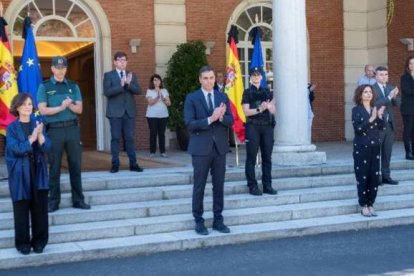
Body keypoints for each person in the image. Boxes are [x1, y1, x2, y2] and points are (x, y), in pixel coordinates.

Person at [184, 65, 234, 235]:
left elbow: (230, 120)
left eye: (211, 78)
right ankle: (199, 221)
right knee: (199, 186)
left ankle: (218, 220)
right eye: (205, 78)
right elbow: (190, 124)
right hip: (200, 149)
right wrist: (209, 119)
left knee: (218, 186)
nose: (209, 81)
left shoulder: (222, 96)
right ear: (200, 79)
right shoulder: (192, 98)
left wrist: (220, 117)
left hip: (219, 148)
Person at [37, 56, 90, 212]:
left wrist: (70, 104)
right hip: (55, 130)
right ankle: (53, 201)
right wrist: (61, 107)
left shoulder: (73, 87)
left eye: (63, 68)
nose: (60, 70)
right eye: (57, 67)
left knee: (75, 165)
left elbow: (79, 109)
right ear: (52, 68)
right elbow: (43, 110)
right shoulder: (44, 86)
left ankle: (78, 200)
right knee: (54, 167)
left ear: (66, 69)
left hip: (72, 129)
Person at [6, 93, 51, 254]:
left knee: (40, 210)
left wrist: (39, 136)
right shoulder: (11, 128)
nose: (28, 107)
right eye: (24, 104)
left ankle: (39, 242)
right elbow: (16, 149)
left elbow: (47, 148)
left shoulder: (38, 123)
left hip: (38, 173)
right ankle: (23, 243)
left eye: (30, 104)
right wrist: (31, 140)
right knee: (21, 211)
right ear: (17, 107)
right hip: (20, 174)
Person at [104, 51, 143, 173]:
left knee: (130, 138)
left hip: (129, 112)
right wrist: (121, 86)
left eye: (124, 60)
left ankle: (133, 164)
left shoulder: (131, 75)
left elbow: (138, 91)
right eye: (120, 60)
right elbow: (107, 92)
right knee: (115, 138)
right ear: (115, 62)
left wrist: (129, 84)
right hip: (115, 112)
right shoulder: (108, 75)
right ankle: (115, 164)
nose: (122, 62)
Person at [242, 67, 277, 196]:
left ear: (262, 77)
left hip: (267, 127)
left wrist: (269, 107)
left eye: (258, 75)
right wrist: (260, 109)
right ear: (250, 77)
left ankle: (267, 185)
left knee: (267, 157)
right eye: (254, 75)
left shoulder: (267, 92)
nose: (256, 77)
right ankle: (252, 186)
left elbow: (273, 111)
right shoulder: (247, 92)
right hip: (253, 127)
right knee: (251, 157)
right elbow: (246, 111)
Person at [352, 85, 384, 217]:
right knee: (362, 177)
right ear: (360, 95)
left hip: (375, 147)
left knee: (374, 177)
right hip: (361, 148)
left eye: (370, 92)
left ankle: (371, 204)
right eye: (365, 92)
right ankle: (363, 205)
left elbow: (381, 128)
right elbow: (358, 130)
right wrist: (371, 119)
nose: (368, 94)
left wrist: (380, 117)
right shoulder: (356, 110)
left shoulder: (374, 108)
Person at [372, 66, 401, 185]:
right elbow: (375, 104)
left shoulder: (390, 87)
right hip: (377, 125)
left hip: (389, 125)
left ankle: (386, 176)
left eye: (386, 74)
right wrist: (389, 96)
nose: (384, 77)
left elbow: (398, 103)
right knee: (376, 153)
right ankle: (376, 177)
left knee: (387, 152)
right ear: (376, 76)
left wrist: (394, 96)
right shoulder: (371, 89)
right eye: (381, 74)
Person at [145, 74, 171, 157]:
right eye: (155, 80)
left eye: (158, 80)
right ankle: (152, 152)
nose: (157, 82)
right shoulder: (149, 91)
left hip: (163, 115)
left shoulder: (164, 90)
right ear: (152, 82)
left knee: (161, 134)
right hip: (152, 116)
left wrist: (162, 96)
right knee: (153, 133)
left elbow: (169, 103)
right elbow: (150, 103)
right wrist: (157, 96)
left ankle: (162, 152)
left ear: (160, 81)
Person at [400, 56, 414, 160]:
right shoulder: (404, 77)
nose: (413, 65)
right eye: (410, 63)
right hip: (408, 108)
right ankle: (408, 152)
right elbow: (407, 91)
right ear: (407, 66)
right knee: (408, 130)